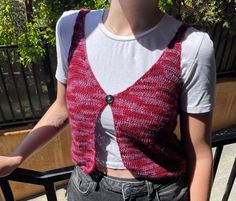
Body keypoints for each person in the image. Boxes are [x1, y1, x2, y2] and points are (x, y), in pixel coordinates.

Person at [0, 0, 216, 200]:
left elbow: (199, 153)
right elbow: (61, 107)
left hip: (157, 193)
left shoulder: (192, 47)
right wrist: (17, 156)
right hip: (84, 189)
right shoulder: (70, 28)